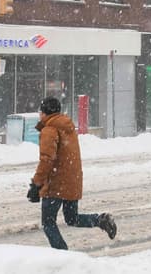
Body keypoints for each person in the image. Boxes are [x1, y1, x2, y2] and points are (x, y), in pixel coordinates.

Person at [27, 96, 117, 249]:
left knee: (48, 223)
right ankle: (100, 220)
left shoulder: (50, 129)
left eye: (40, 111)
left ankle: (63, 256)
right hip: (72, 180)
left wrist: (36, 184)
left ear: (45, 112)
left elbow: (47, 159)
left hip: (55, 184)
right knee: (72, 218)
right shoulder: (67, 127)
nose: (39, 114)